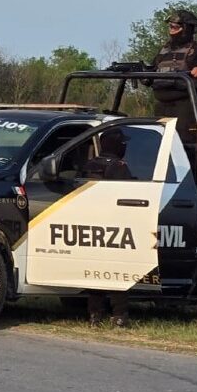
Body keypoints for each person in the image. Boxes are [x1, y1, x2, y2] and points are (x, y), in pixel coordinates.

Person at [147, 10, 197, 166]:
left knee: (187, 146)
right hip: (162, 105)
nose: (172, 27)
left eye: (177, 25)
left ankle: (196, 182)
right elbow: (152, 69)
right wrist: (145, 76)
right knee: (161, 144)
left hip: (185, 106)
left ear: (187, 28)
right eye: (171, 25)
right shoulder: (164, 49)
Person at [83, 128, 133, 327]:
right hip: (114, 227)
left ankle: (95, 315)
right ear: (116, 145)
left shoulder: (89, 166)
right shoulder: (120, 168)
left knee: (95, 271)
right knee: (118, 273)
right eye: (123, 143)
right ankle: (119, 315)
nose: (125, 146)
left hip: (91, 226)